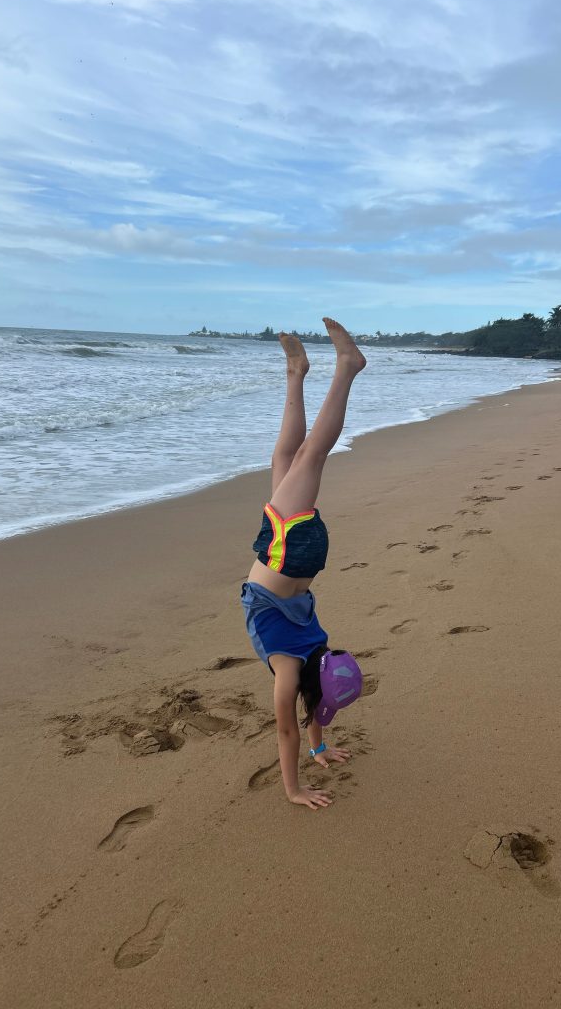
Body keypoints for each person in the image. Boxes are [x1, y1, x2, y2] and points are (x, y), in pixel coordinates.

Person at [241, 317, 367, 810]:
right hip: (283, 554)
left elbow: (313, 713)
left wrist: (320, 746)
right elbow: (286, 729)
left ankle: (296, 371)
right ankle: (349, 368)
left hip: (299, 559)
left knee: (286, 456)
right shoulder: (290, 671)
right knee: (310, 456)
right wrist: (293, 789)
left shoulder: (318, 649)